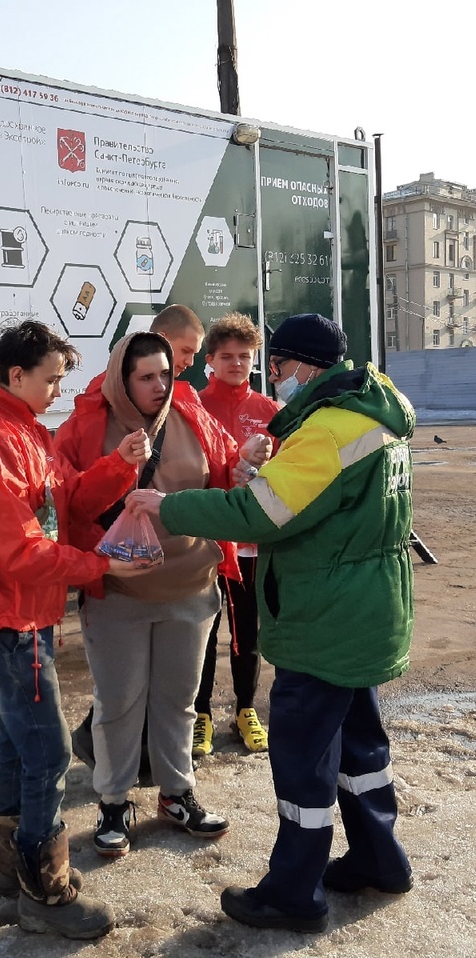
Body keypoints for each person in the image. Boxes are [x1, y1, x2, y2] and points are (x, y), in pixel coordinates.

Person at [127, 313, 415, 933]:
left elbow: (261, 515)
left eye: (279, 366)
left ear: (306, 367)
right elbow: (327, 507)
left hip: (327, 618)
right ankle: (378, 858)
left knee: (303, 756)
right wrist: (262, 473)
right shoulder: (380, 410)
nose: (275, 378)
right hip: (369, 610)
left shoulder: (328, 431)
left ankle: (292, 894)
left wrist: (168, 507)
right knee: (361, 747)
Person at [0, 319, 153, 940]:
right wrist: (99, 565)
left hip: (21, 610)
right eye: (51, 379)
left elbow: (67, 499)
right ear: (17, 375)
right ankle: (45, 889)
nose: (58, 391)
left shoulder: (26, 433)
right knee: (49, 750)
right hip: (6, 613)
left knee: (18, 739)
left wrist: (118, 466)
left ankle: (11, 871)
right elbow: (21, 551)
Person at [54, 328, 269, 858]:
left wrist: (244, 462)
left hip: (193, 586)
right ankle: (113, 802)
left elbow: (221, 480)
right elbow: (72, 507)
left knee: (178, 701)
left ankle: (177, 794)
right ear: (121, 379)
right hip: (118, 594)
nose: (158, 385)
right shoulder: (85, 428)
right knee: (118, 703)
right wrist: (120, 464)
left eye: (165, 375)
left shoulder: (192, 415)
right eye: (145, 377)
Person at [195, 313, 280, 757]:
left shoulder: (269, 412)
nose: (236, 363)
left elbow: (285, 475)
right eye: (226, 356)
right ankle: (201, 713)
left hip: (250, 542)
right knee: (204, 632)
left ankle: (245, 709)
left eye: (244, 356)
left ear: (255, 359)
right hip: (206, 542)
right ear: (209, 360)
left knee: (248, 630)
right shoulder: (194, 406)